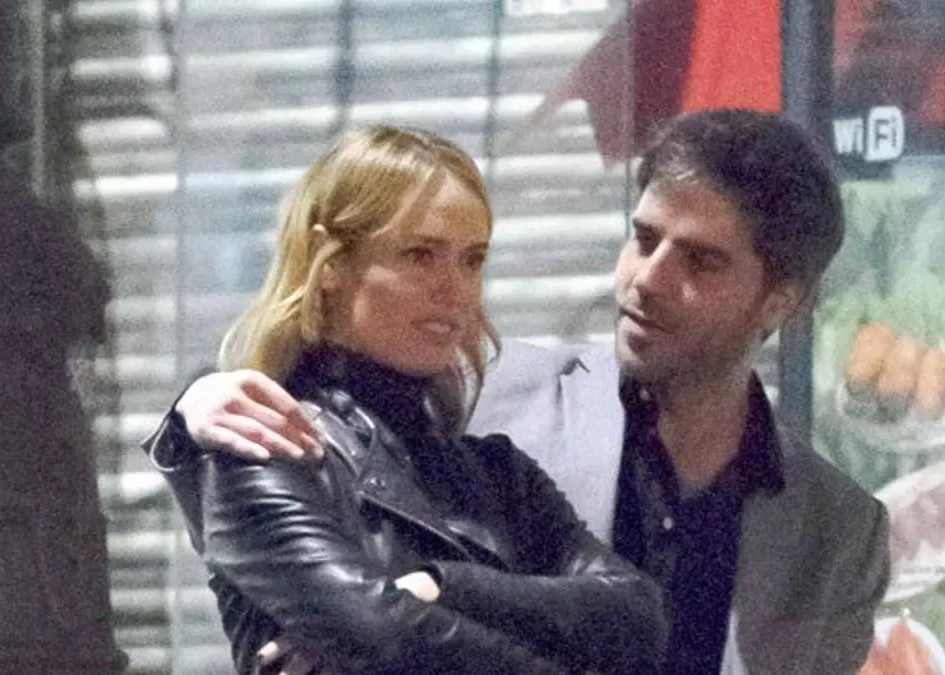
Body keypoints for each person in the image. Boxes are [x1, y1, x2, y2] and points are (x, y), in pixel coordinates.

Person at [154, 110, 890, 674]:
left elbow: (636, 616)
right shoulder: (493, 390)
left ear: (780, 299)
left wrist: (439, 589)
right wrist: (192, 412)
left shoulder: (839, 529)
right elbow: (273, 466)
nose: (647, 279)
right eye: (642, 238)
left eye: (699, 261)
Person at [142, 125, 669, 675]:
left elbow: (638, 616)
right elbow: (383, 637)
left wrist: (443, 587)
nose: (455, 289)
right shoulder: (264, 448)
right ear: (330, 264)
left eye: (472, 260)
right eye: (420, 255)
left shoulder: (498, 473)